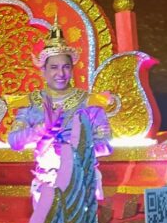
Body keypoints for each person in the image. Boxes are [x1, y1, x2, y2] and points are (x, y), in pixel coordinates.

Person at [7, 21, 112, 203]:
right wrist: (41, 130)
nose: (61, 73)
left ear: (72, 69)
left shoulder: (89, 103)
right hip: (46, 183)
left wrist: (75, 152)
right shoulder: (31, 103)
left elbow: (106, 145)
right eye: (54, 67)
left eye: (66, 67)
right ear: (43, 71)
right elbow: (14, 141)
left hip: (81, 181)